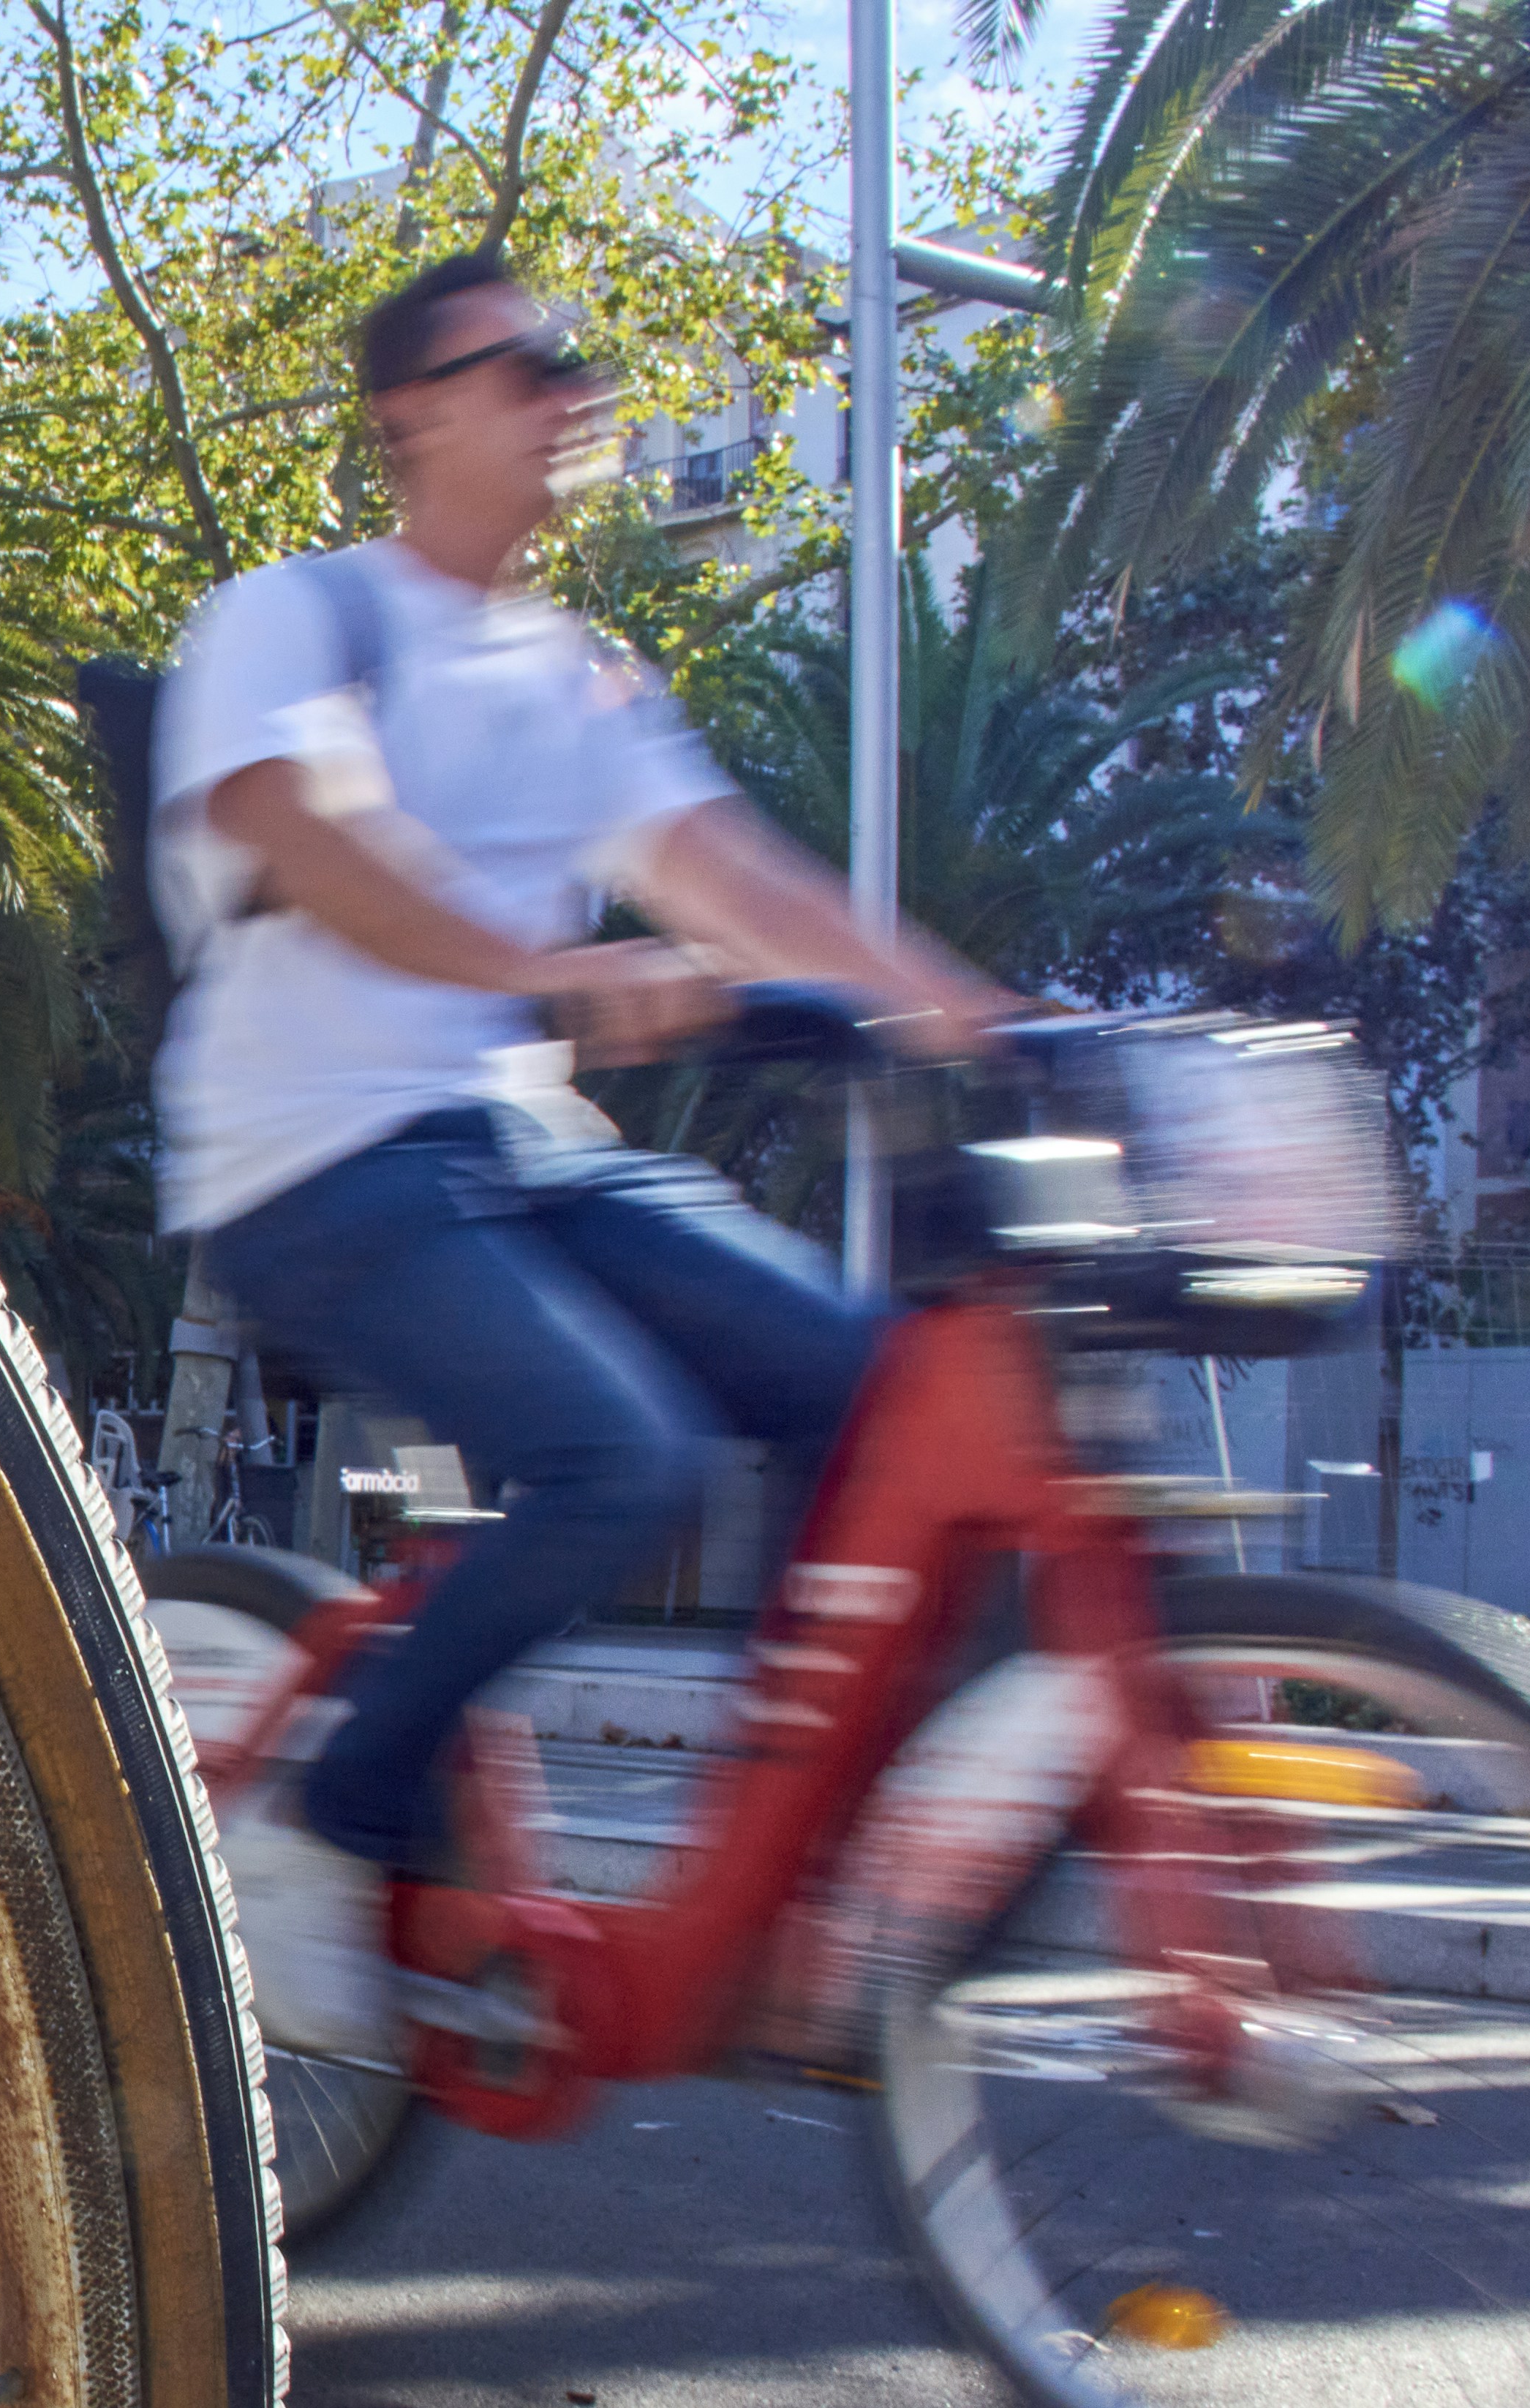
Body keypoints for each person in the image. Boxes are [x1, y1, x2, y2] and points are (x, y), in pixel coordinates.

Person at [151, 249, 1014, 2061]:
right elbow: (306, 828)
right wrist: (546, 964)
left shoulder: (579, 675)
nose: (575, 392)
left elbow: (740, 880)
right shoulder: (302, 619)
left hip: (519, 1144)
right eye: (527, 365)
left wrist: (986, 1022)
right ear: (413, 419)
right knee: (624, 1455)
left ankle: (799, 1877)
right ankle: (334, 1817)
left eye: (576, 362)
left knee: (872, 1388)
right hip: (318, 1158)